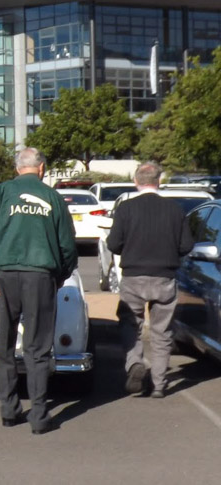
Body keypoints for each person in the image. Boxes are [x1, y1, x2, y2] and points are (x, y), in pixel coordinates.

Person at [0, 147, 77, 435]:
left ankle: (8, 410)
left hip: (4, 277)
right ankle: (40, 416)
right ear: (41, 168)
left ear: (18, 168)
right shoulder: (53, 197)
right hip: (40, 276)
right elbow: (67, 244)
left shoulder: (1, 193)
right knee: (38, 348)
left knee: (4, 345)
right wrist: (61, 275)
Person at [106, 162, 195, 398]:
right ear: (159, 181)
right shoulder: (174, 210)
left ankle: (134, 363)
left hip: (133, 277)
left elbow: (113, 244)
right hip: (164, 277)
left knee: (129, 325)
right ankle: (158, 383)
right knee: (161, 332)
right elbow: (186, 245)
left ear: (136, 181)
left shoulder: (126, 209)